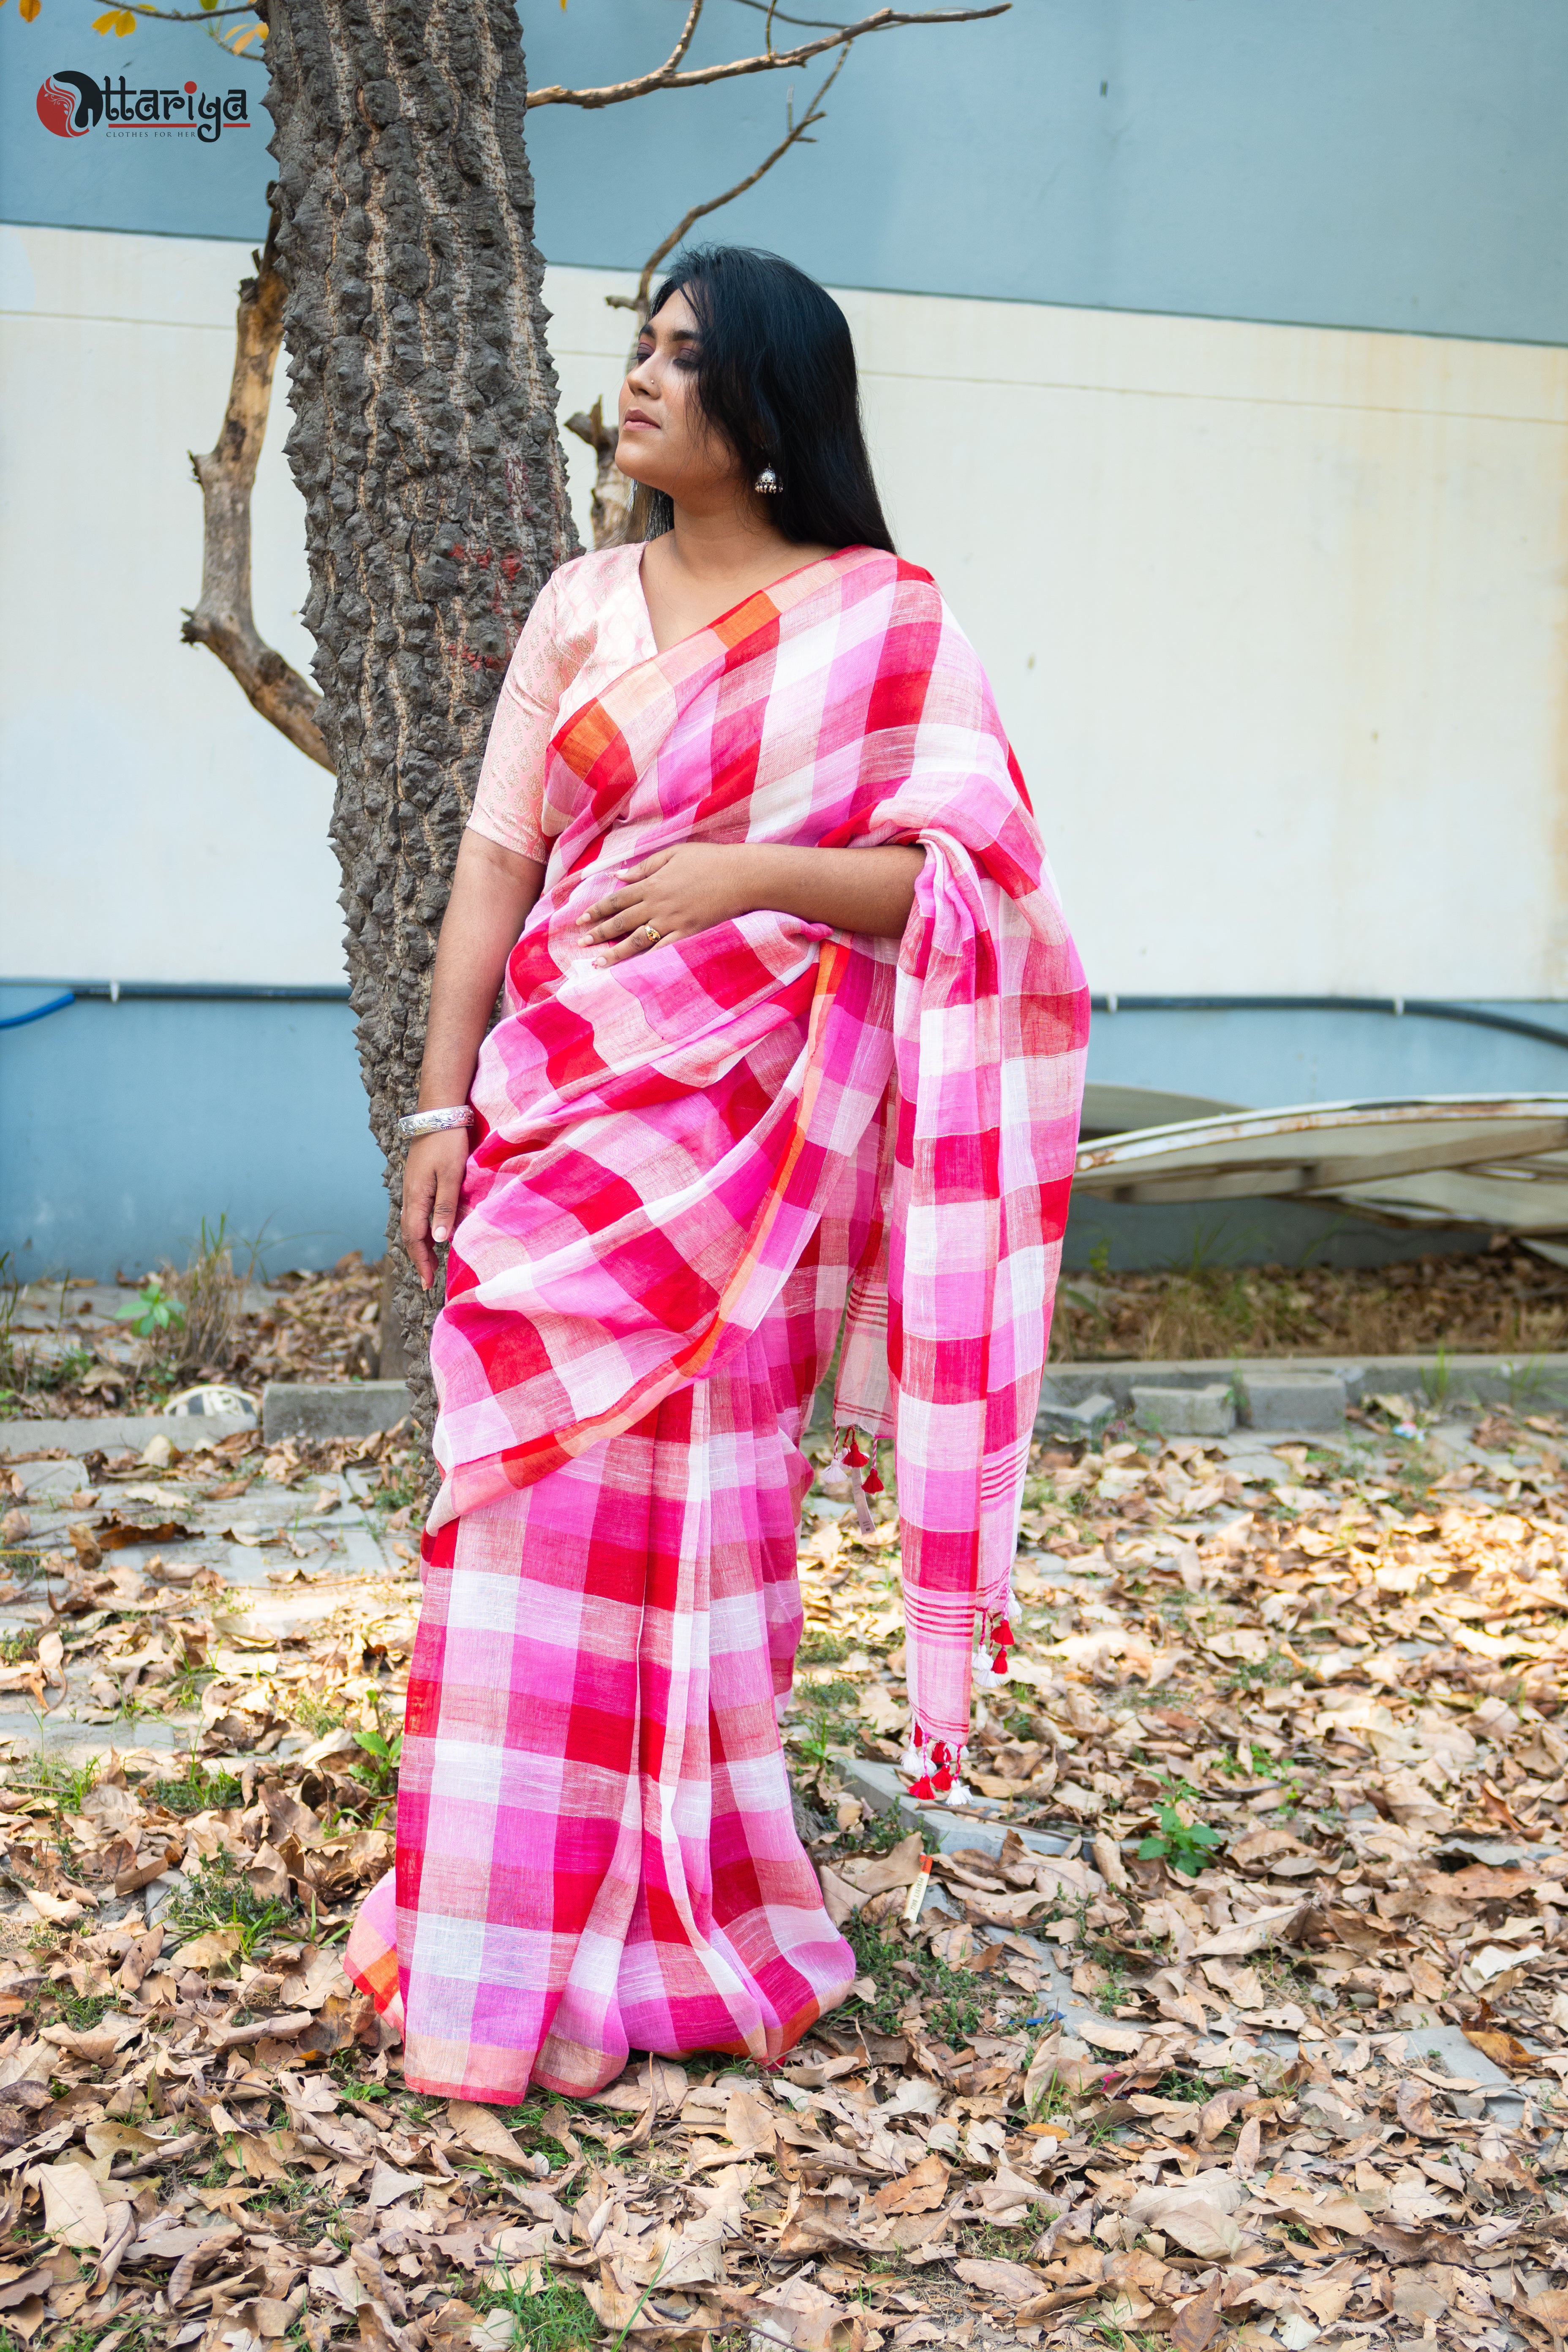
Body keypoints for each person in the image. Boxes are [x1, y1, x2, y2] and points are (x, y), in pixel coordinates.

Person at [344, 245, 1088, 2102]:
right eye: (643, 346)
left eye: (689, 356)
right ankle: (497, 1936)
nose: (647, 377)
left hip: (746, 1162)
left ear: (769, 411)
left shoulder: (881, 622)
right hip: (564, 1121)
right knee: (520, 1532)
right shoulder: (581, 605)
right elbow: (490, 876)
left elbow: (970, 892)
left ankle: (666, 1941)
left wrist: (745, 877)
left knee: (698, 1546)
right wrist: (438, 1113)